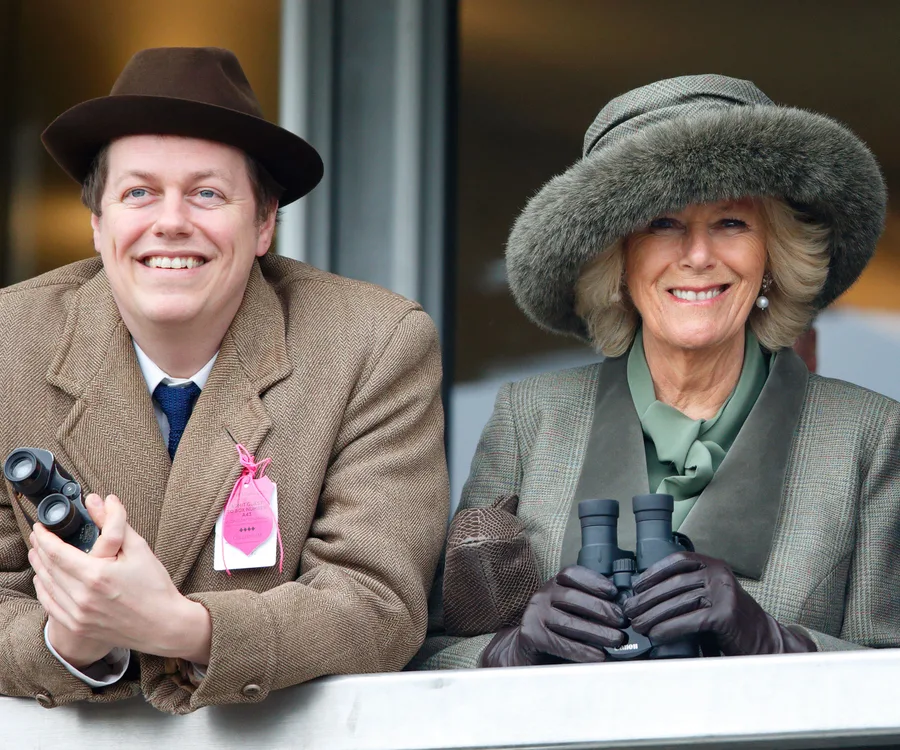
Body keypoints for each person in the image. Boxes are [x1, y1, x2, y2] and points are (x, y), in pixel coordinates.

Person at [0, 47, 448, 713]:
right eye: (139, 192)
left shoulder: (374, 342)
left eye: (207, 193)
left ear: (264, 222)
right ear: (97, 224)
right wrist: (66, 640)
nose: (172, 220)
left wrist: (179, 628)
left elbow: (378, 605)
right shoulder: (9, 341)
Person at [414, 74, 899, 670]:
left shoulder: (869, 434)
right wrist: (511, 651)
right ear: (614, 259)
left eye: (732, 223)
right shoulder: (529, 418)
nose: (698, 257)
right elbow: (428, 657)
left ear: (775, 255)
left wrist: (776, 641)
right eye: (662, 224)